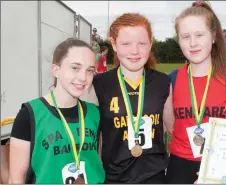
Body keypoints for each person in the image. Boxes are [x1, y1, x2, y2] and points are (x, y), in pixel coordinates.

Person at [164, 1, 226, 184]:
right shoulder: (171, 80)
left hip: (221, 166)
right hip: (179, 167)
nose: (193, 43)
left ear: (213, 36)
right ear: (178, 40)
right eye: (185, 37)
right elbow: (170, 127)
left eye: (199, 35)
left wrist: (217, 171)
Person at [85, 13, 172, 183]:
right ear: (113, 44)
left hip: (154, 176)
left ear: (151, 44)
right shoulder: (99, 84)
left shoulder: (163, 82)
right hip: (113, 177)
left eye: (142, 43)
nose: (134, 51)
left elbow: (174, 129)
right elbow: (93, 137)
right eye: (126, 44)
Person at [8, 38, 105, 184]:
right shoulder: (30, 114)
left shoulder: (95, 113)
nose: (83, 77)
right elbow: (16, 180)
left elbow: (97, 163)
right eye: (75, 68)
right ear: (56, 70)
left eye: (90, 70)